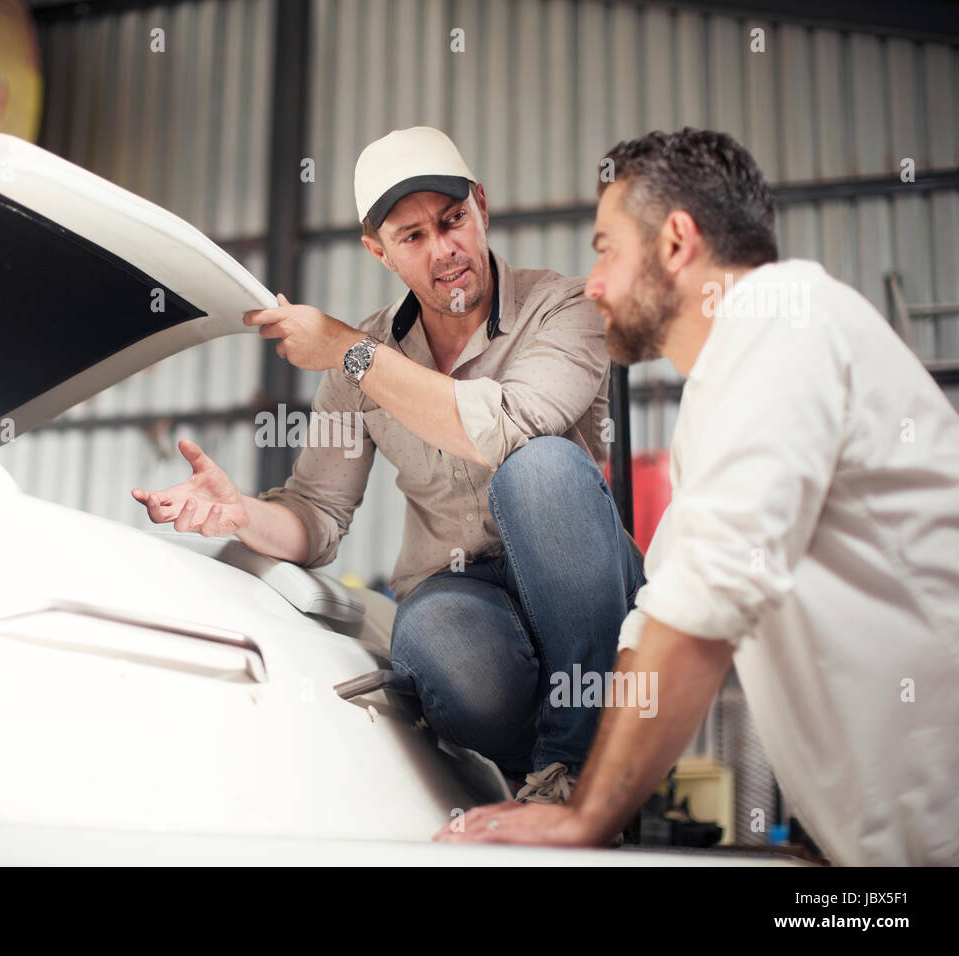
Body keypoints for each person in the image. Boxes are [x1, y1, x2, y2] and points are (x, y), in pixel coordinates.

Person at [438, 127, 959, 865]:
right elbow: (661, 610)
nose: (594, 283)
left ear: (676, 242)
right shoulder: (731, 390)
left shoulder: (782, 321)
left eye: (607, 248)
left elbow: (705, 604)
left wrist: (588, 816)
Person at [131, 126, 643, 797]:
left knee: (539, 469)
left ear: (481, 206)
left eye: (453, 220)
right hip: (465, 592)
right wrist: (240, 513)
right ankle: (541, 774)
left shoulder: (565, 308)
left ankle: (582, 773)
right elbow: (316, 517)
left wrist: (352, 352)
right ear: (380, 252)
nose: (445, 249)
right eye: (413, 237)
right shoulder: (355, 361)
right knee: (430, 634)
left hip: (581, 583)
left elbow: (510, 427)